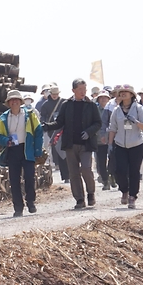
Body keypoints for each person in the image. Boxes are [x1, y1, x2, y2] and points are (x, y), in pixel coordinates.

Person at [42, 79, 102, 210]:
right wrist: (46, 126)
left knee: (86, 168)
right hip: (70, 144)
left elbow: (98, 123)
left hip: (86, 144)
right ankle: (79, 199)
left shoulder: (91, 105)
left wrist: (89, 132)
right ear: (73, 90)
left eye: (84, 89)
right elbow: (59, 122)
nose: (83, 92)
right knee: (73, 173)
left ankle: (91, 193)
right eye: (80, 89)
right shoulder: (66, 105)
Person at [0, 90, 43, 217]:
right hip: (13, 151)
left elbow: (38, 132)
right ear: (9, 103)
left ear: (20, 101)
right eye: (12, 100)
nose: (14, 102)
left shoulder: (30, 115)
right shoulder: (3, 118)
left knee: (29, 177)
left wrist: (37, 149)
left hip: (27, 149)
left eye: (16, 99)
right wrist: (6, 141)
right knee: (14, 180)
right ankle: (18, 207)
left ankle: (31, 202)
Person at [107, 85, 143, 209]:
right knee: (120, 170)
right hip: (120, 145)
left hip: (136, 144)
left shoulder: (138, 109)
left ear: (132, 95)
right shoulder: (116, 110)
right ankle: (124, 190)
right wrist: (110, 144)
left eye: (127, 92)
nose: (124, 94)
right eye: (122, 92)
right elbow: (112, 128)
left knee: (134, 171)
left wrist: (136, 122)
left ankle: (132, 196)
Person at [39, 83, 69, 183]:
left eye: (56, 94)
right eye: (53, 94)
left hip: (65, 129)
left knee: (67, 151)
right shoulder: (45, 104)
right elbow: (43, 117)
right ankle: (64, 175)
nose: (55, 95)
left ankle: (70, 173)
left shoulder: (64, 102)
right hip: (52, 130)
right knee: (57, 151)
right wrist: (46, 125)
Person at [94, 90, 112, 191]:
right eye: (101, 98)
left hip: (112, 140)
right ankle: (105, 181)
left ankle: (112, 177)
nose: (103, 99)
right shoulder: (95, 110)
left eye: (105, 97)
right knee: (101, 162)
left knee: (113, 161)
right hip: (99, 140)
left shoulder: (113, 109)